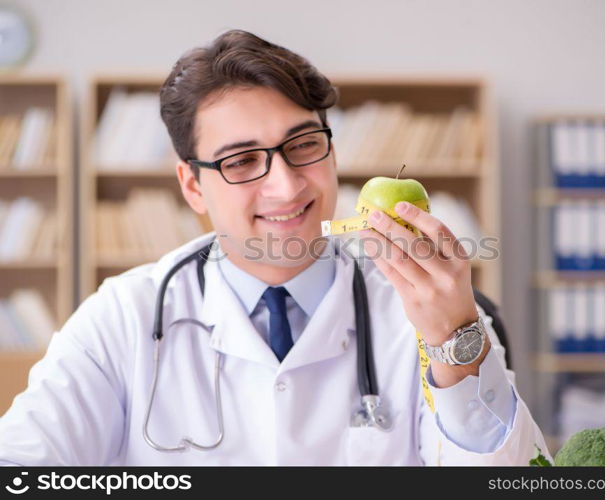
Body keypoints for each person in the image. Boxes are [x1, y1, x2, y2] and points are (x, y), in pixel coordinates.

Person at [0, 30, 549, 465]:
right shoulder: (121, 318)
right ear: (192, 184)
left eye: (303, 145)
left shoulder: (427, 310)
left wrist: (456, 339)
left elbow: (507, 476)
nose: (287, 187)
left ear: (332, 153)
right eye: (241, 160)